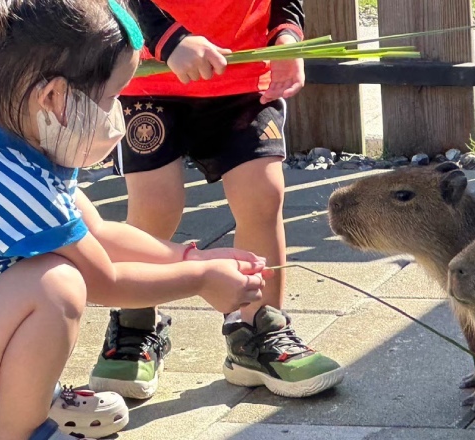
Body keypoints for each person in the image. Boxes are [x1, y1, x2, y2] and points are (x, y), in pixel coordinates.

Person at [0, 0, 272, 438]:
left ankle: (22, 397)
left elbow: (99, 234)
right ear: (53, 96)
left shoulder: (7, 148)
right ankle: (15, 430)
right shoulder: (14, 184)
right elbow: (105, 282)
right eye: (110, 98)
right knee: (56, 286)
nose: (116, 111)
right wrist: (199, 281)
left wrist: (192, 257)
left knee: (52, 277)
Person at [87, 0, 344, 400]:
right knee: (157, 203)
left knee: (263, 193)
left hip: (241, 77)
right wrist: (170, 41)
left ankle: (260, 331)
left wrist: (288, 38)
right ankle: (135, 322)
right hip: (152, 79)